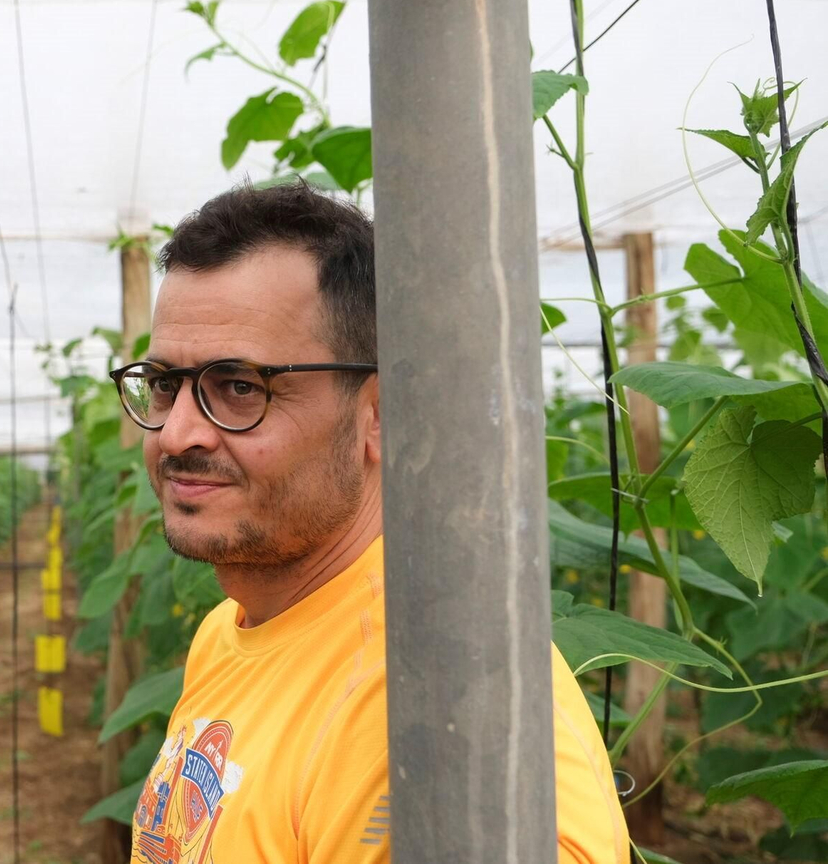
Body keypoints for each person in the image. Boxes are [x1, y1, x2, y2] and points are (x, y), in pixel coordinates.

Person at [112, 183, 629, 864]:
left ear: (382, 412)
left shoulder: (425, 695)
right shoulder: (228, 630)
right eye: (164, 384)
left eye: (238, 387)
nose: (177, 432)